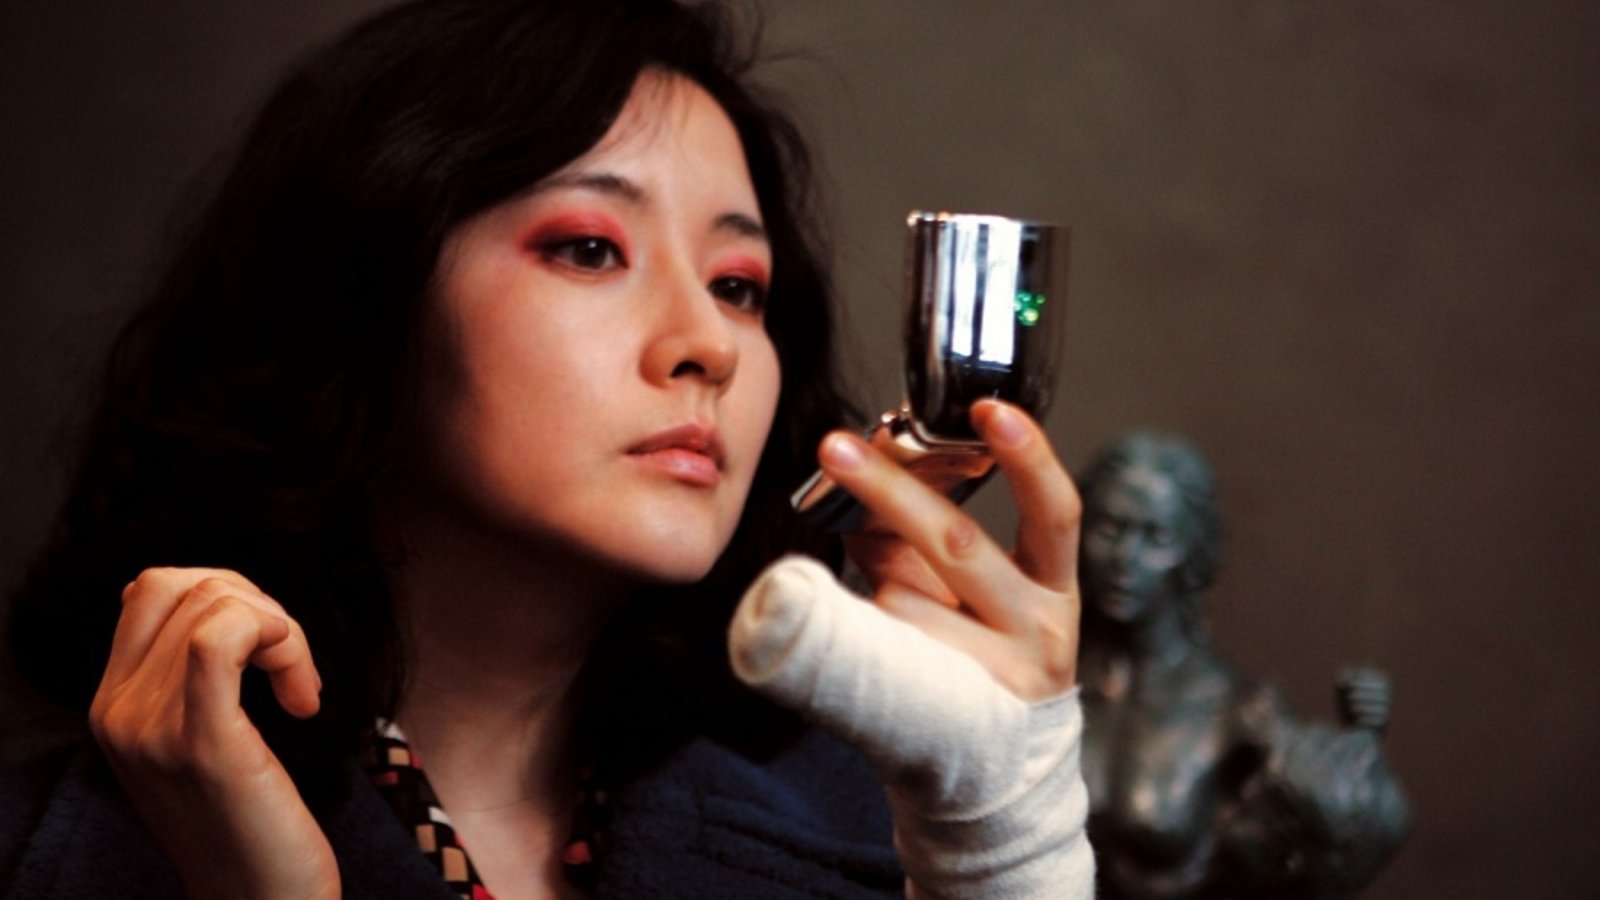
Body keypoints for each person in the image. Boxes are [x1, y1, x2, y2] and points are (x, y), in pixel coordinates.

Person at [0, 2, 1093, 898]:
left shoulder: (880, 838)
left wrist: (1005, 844)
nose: (709, 345)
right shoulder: (52, 856)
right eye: (588, 248)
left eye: (737, 285)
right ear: (364, 295)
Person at [1075, 431, 1407, 899]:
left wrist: (1361, 745)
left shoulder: (1235, 709)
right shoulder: (1036, 684)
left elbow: (1358, 824)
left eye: (1156, 537)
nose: (1124, 560)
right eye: (1109, 529)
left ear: (1192, 550)